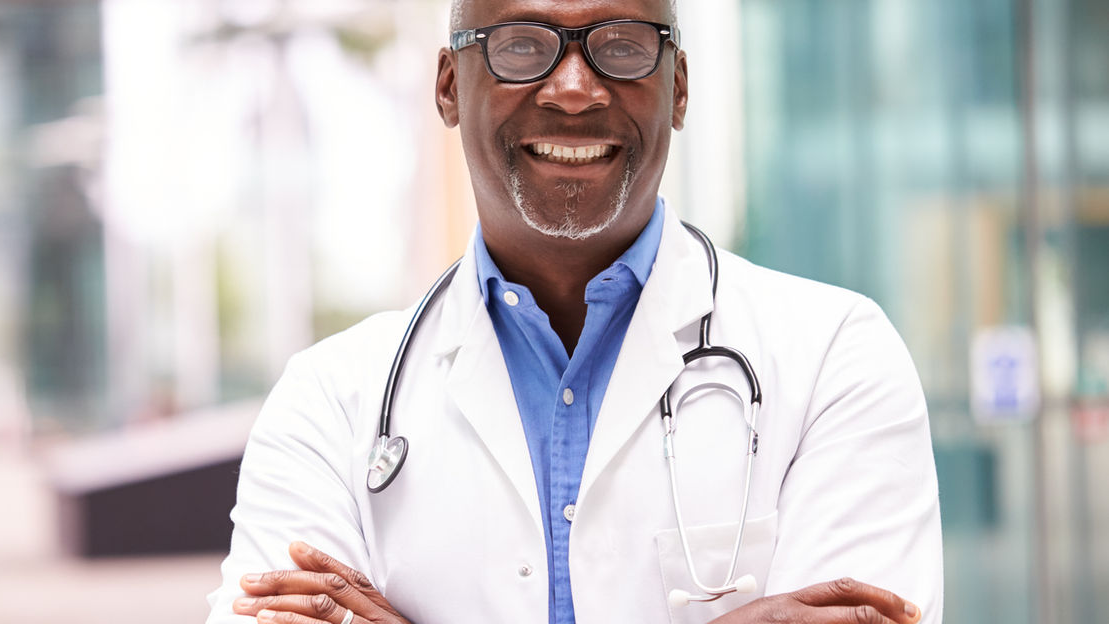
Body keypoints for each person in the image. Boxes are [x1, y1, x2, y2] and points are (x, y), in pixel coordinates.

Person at [205, 0, 943, 622]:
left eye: (621, 46)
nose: (573, 89)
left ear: (677, 88)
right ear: (448, 86)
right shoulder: (328, 402)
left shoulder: (837, 358)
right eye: (520, 46)